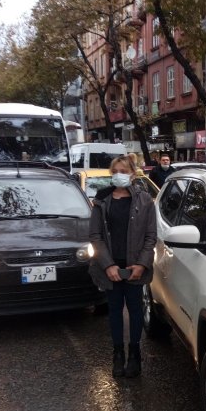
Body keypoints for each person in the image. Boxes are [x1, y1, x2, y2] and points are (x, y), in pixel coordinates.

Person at [89, 155, 158, 378]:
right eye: (116, 170)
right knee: (115, 312)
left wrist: (141, 264)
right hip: (111, 268)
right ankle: (118, 354)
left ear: (133, 173)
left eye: (124, 170)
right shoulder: (102, 200)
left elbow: (150, 237)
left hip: (135, 267)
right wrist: (108, 265)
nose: (120, 174)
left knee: (136, 311)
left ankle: (134, 354)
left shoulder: (145, 200)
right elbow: (95, 236)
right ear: (112, 173)